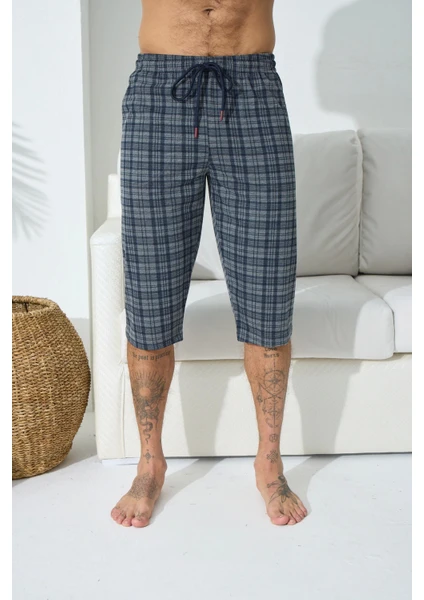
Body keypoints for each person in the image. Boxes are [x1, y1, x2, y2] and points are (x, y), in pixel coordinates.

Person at [111, 0, 307, 528]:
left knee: (268, 289)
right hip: (161, 91)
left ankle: (270, 462)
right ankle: (149, 463)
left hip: (253, 91)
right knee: (150, 293)